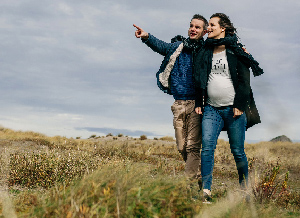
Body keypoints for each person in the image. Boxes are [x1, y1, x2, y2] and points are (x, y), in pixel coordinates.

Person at [194, 13, 263, 202]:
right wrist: (199, 103)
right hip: (211, 108)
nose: (208, 27)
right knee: (207, 149)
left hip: (234, 109)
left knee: (237, 151)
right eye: (208, 25)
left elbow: (244, 81)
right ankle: (205, 192)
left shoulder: (235, 50)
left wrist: (240, 105)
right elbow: (200, 79)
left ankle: (245, 190)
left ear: (222, 28)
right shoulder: (205, 49)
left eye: (212, 24)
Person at [133, 14, 208, 183]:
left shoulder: (206, 52)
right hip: (178, 104)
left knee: (193, 147)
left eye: (197, 27)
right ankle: (201, 178)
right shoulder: (177, 47)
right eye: (191, 26)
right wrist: (146, 37)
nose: (193, 29)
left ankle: (190, 186)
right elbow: (161, 46)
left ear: (204, 32)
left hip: (197, 105)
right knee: (182, 147)